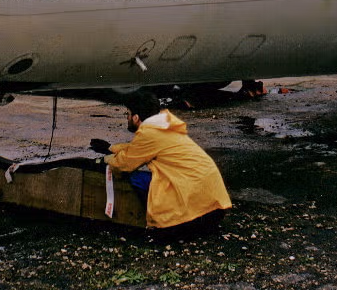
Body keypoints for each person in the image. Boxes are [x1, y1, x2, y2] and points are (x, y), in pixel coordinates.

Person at [90, 91, 231, 235]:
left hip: (194, 215)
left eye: (128, 114)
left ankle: (164, 223)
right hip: (214, 207)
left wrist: (104, 160)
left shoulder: (149, 134)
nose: (127, 118)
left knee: (136, 178)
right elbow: (136, 148)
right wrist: (110, 148)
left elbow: (123, 164)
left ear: (136, 117)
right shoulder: (165, 126)